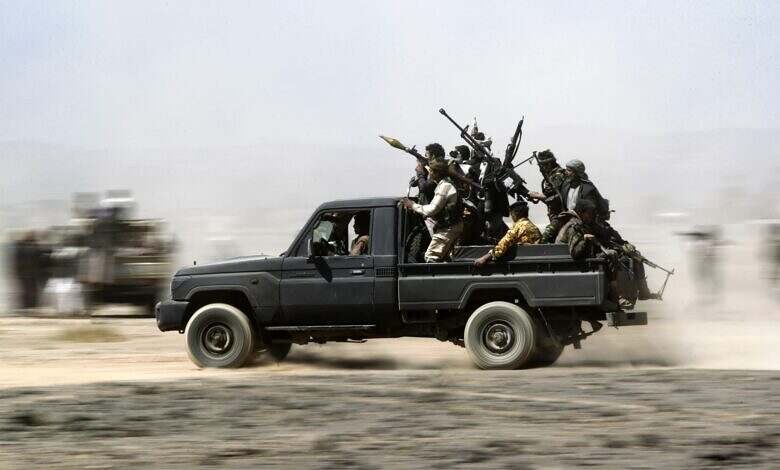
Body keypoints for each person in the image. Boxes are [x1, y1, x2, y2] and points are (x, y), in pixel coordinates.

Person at [400, 160, 463, 262]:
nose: (429, 173)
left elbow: (432, 209)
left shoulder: (445, 186)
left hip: (448, 228)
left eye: (431, 171)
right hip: (450, 226)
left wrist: (412, 205)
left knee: (431, 257)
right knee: (445, 258)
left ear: (437, 173)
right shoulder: (445, 184)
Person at [474, 201, 542, 266]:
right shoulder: (532, 226)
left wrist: (484, 258)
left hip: (521, 261)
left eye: (511, 214)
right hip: (535, 259)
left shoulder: (518, 227)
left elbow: (503, 245)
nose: (511, 217)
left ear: (515, 214)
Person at [527, 150, 567, 243]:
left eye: (542, 166)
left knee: (544, 240)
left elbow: (558, 197)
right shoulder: (552, 175)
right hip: (555, 215)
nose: (541, 169)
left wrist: (538, 196)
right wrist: (539, 197)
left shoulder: (557, 175)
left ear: (548, 164)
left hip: (560, 216)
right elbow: (550, 198)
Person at [409, 143, 447, 236]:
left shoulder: (437, 170)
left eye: (427, 154)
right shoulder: (431, 168)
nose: (425, 157)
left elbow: (424, 188)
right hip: (429, 210)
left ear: (433, 156)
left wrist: (420, 172)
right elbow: (420, 184)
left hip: (433, 213)